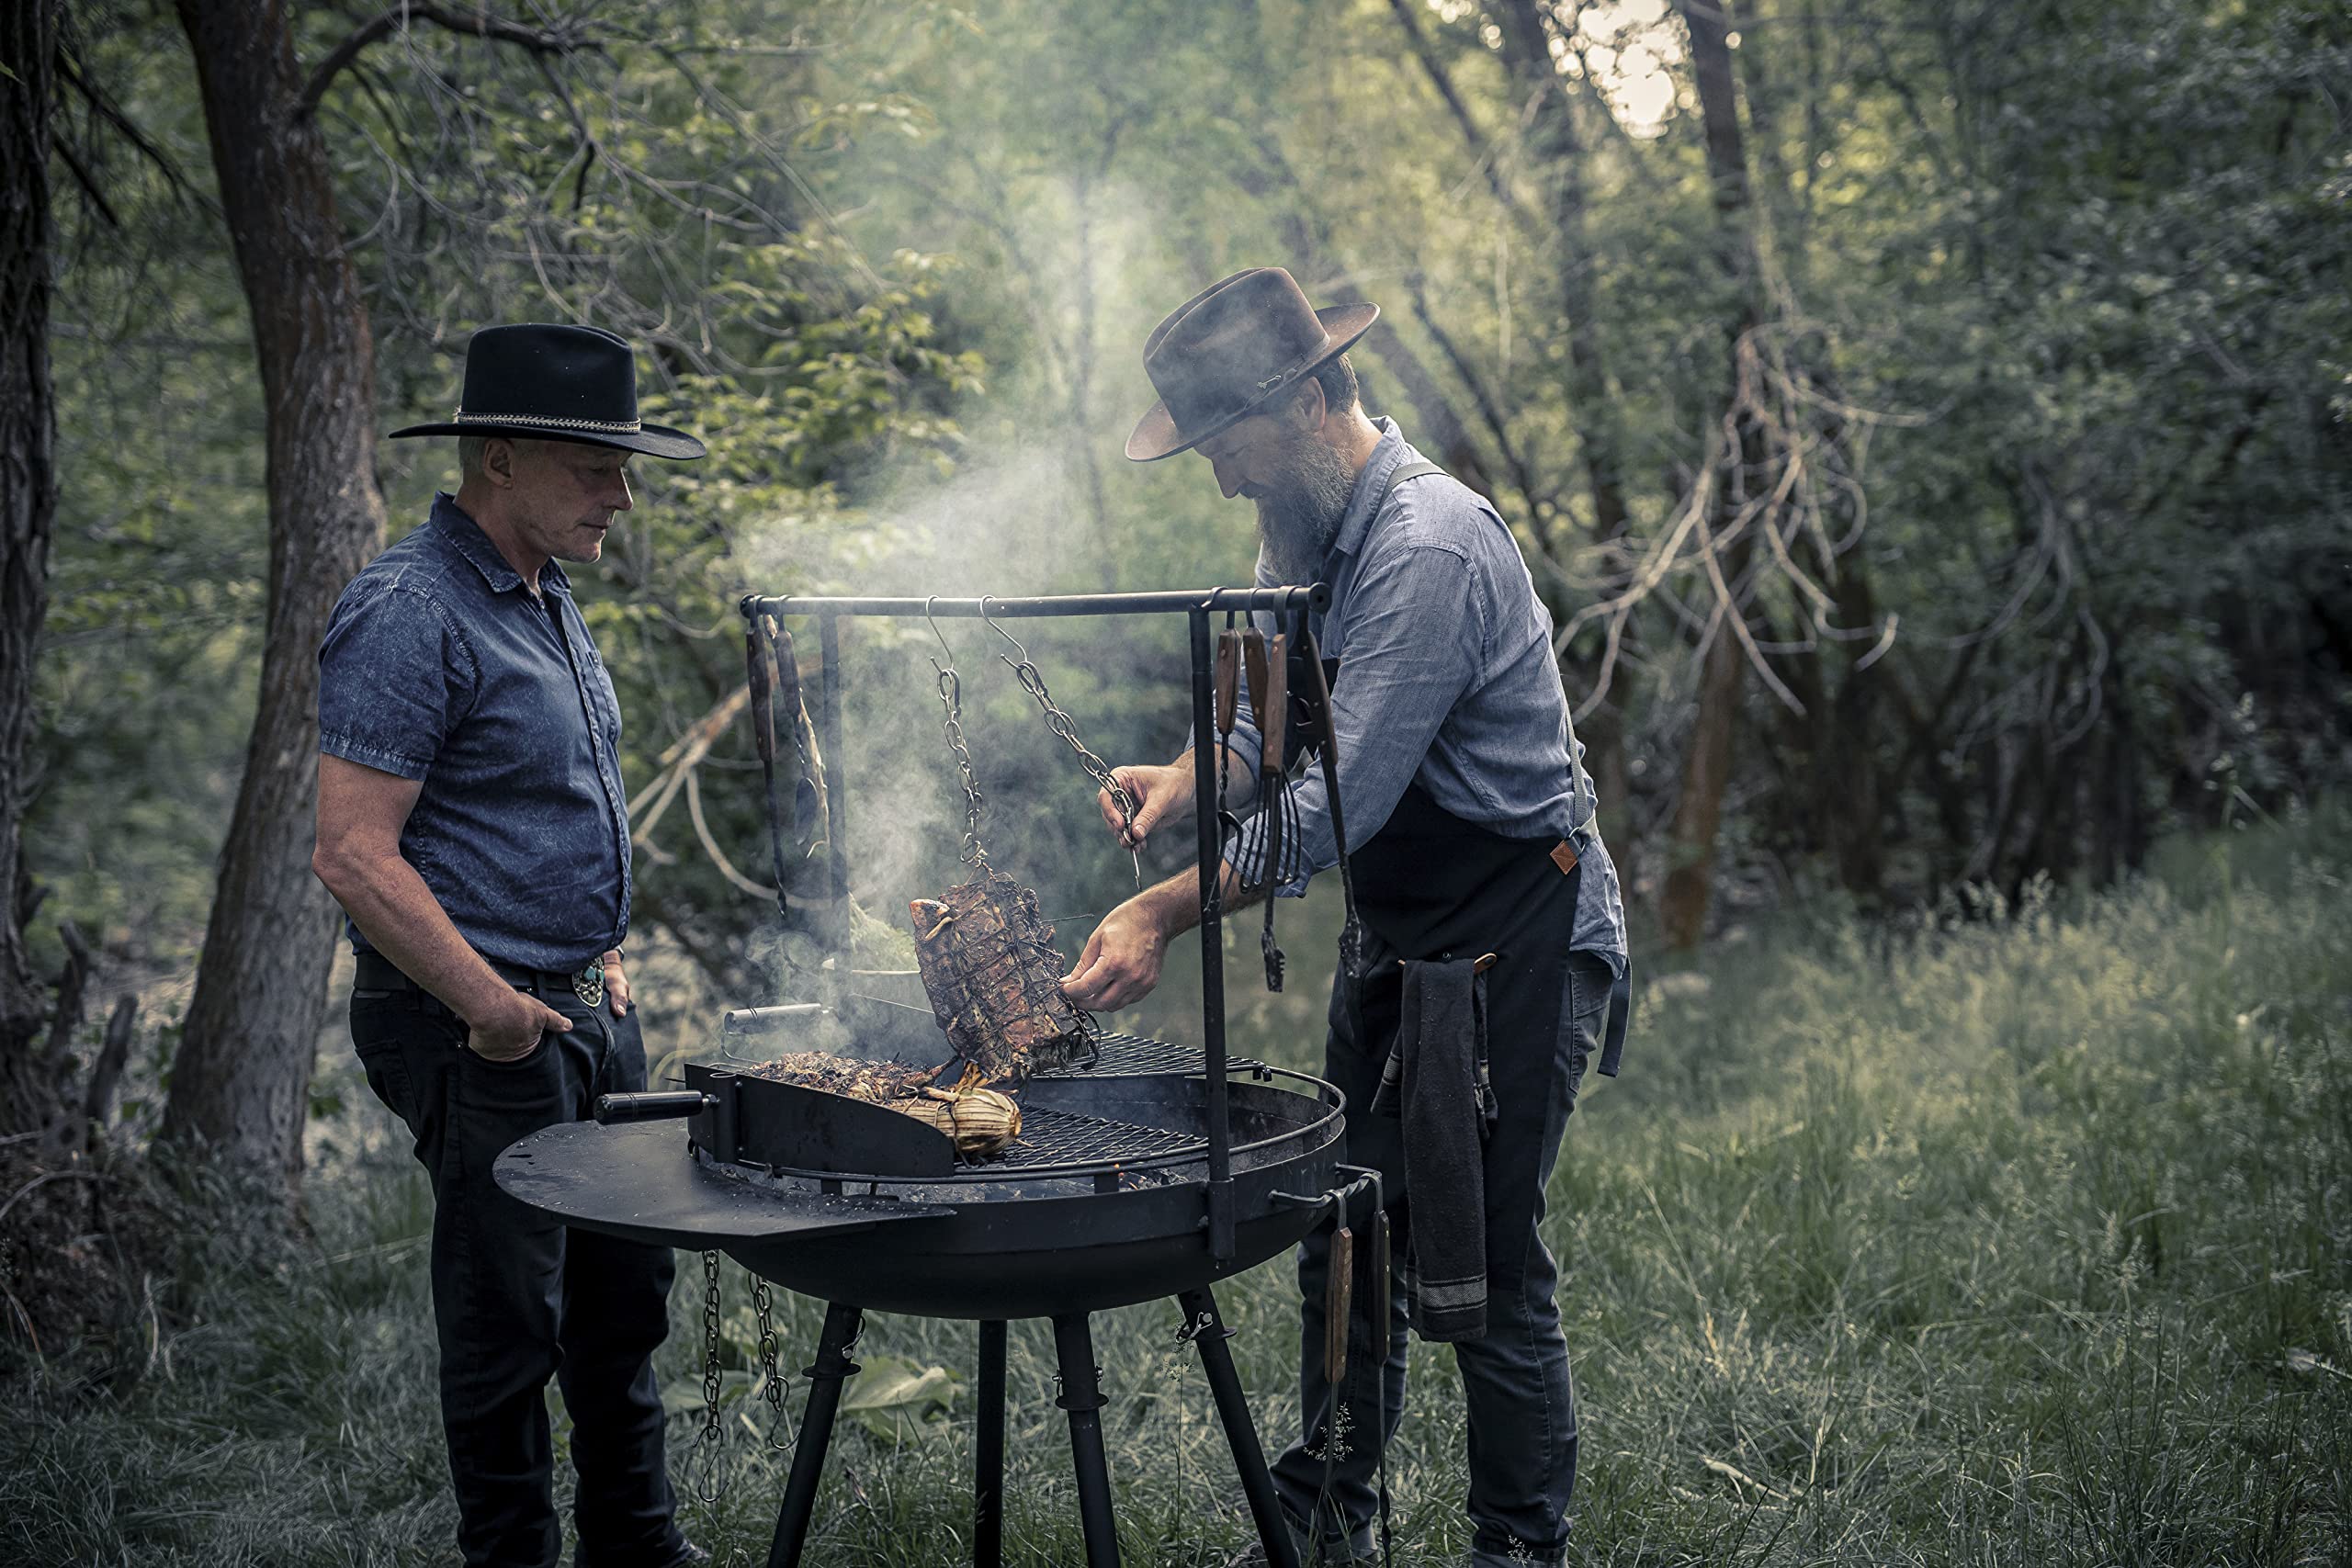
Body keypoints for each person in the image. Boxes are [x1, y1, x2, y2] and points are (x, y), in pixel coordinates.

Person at [1060, 268, 1630, 1568]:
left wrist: (1161, 908)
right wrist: (1185, 776)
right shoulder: (1303, 522)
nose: (1221, 480)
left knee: (1481, 1254)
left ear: (1314, 398)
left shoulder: (1430, 544)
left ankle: (1515, 1549)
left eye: (1229, 448)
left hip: (1517, 924)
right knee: (1345, 1230)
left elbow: (1339, 804)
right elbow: (1269, 729)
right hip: (1402, 933)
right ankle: (1325, 1531)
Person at [311, 323, 708, 1568]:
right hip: (476, 1022)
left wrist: (594, 952)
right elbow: (353, 851)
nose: (622, 496)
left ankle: (636, 1548)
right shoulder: (406, 608)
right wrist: (490, 1004)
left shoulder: (544, 598)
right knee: (506, 1321)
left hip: (580, 1002)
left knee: (621, 1296)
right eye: (597, 467)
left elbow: (529, 812)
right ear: (499, 455)